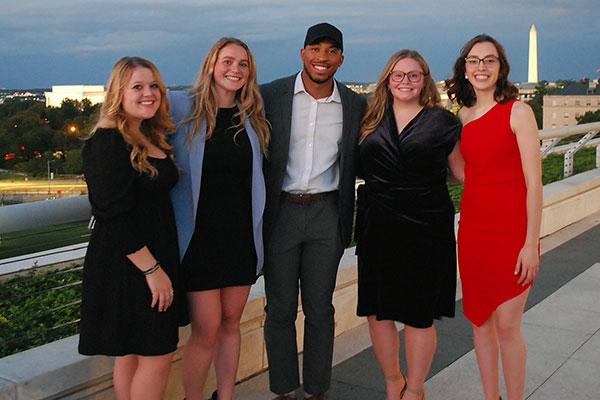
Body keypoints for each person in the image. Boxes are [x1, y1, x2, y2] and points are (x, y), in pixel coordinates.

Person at [261, 23, 366, 400]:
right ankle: (284, 389)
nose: (323, 58)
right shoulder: (270, 95)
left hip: (327, 213)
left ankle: (317, 390)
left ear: (341, 58)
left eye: (331, 51)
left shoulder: (354, 104)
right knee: (280, 309)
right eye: (316, 49)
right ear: (302, 53)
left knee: (320, 308)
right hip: (281, 214)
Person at [356, 49, 462, 400]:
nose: (406, 81)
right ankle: (393, 380)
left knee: (419, 314)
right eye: (399, 75)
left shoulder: (442, 122)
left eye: (414, 75)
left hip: (426, 225)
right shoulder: (369, 118)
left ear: (424, 80)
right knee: (377, 310)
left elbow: (461, 174)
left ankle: (415, 389)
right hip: (378, 224)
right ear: (387, 79)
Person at [168, 37, 269, 400]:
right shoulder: (182, 108)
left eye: (243, 64)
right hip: (199, 240)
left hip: (240, 238)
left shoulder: (252, 118)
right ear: (211, 64)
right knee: (206, 330)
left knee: (231, 323)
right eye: (228, 61)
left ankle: (225, 395)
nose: (235, 70)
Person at [78, 56, 184, 400]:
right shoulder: (107, 142)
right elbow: (113, 214)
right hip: (130, 266)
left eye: (154, 85)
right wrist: (153, 270)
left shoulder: (146, 133)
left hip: (150, 258)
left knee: (132, 353)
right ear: (118, 92)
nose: (148, 93)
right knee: (157, 354)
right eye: (137, 86)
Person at [445, 34, 542, 400]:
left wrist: (531, 244)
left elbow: (535, 184)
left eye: (489, 60)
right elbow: (463, 172)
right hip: (473, 233)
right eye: (474, 60)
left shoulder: (518, 111)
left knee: (507, 324)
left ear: (500, 67)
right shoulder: (462, 116)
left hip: (512, 233)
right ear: (465, 69)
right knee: (480, 321)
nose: (481, 67)